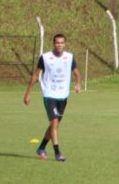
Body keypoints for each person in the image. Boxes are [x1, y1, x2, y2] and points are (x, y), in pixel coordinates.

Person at [23, 33, 82, 161]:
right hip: (49, 95)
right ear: (53, 44)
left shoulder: (70, 57)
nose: (59, 45)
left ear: (65, 44)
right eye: (57, 43)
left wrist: (77, 84)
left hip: (63, 96)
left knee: (54, 126)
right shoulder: (45, 58)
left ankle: (41, 148)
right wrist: (28, 93)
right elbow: (35, 76)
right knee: (54, 123)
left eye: (62, 43)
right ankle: (57, 153)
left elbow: (77, 73)